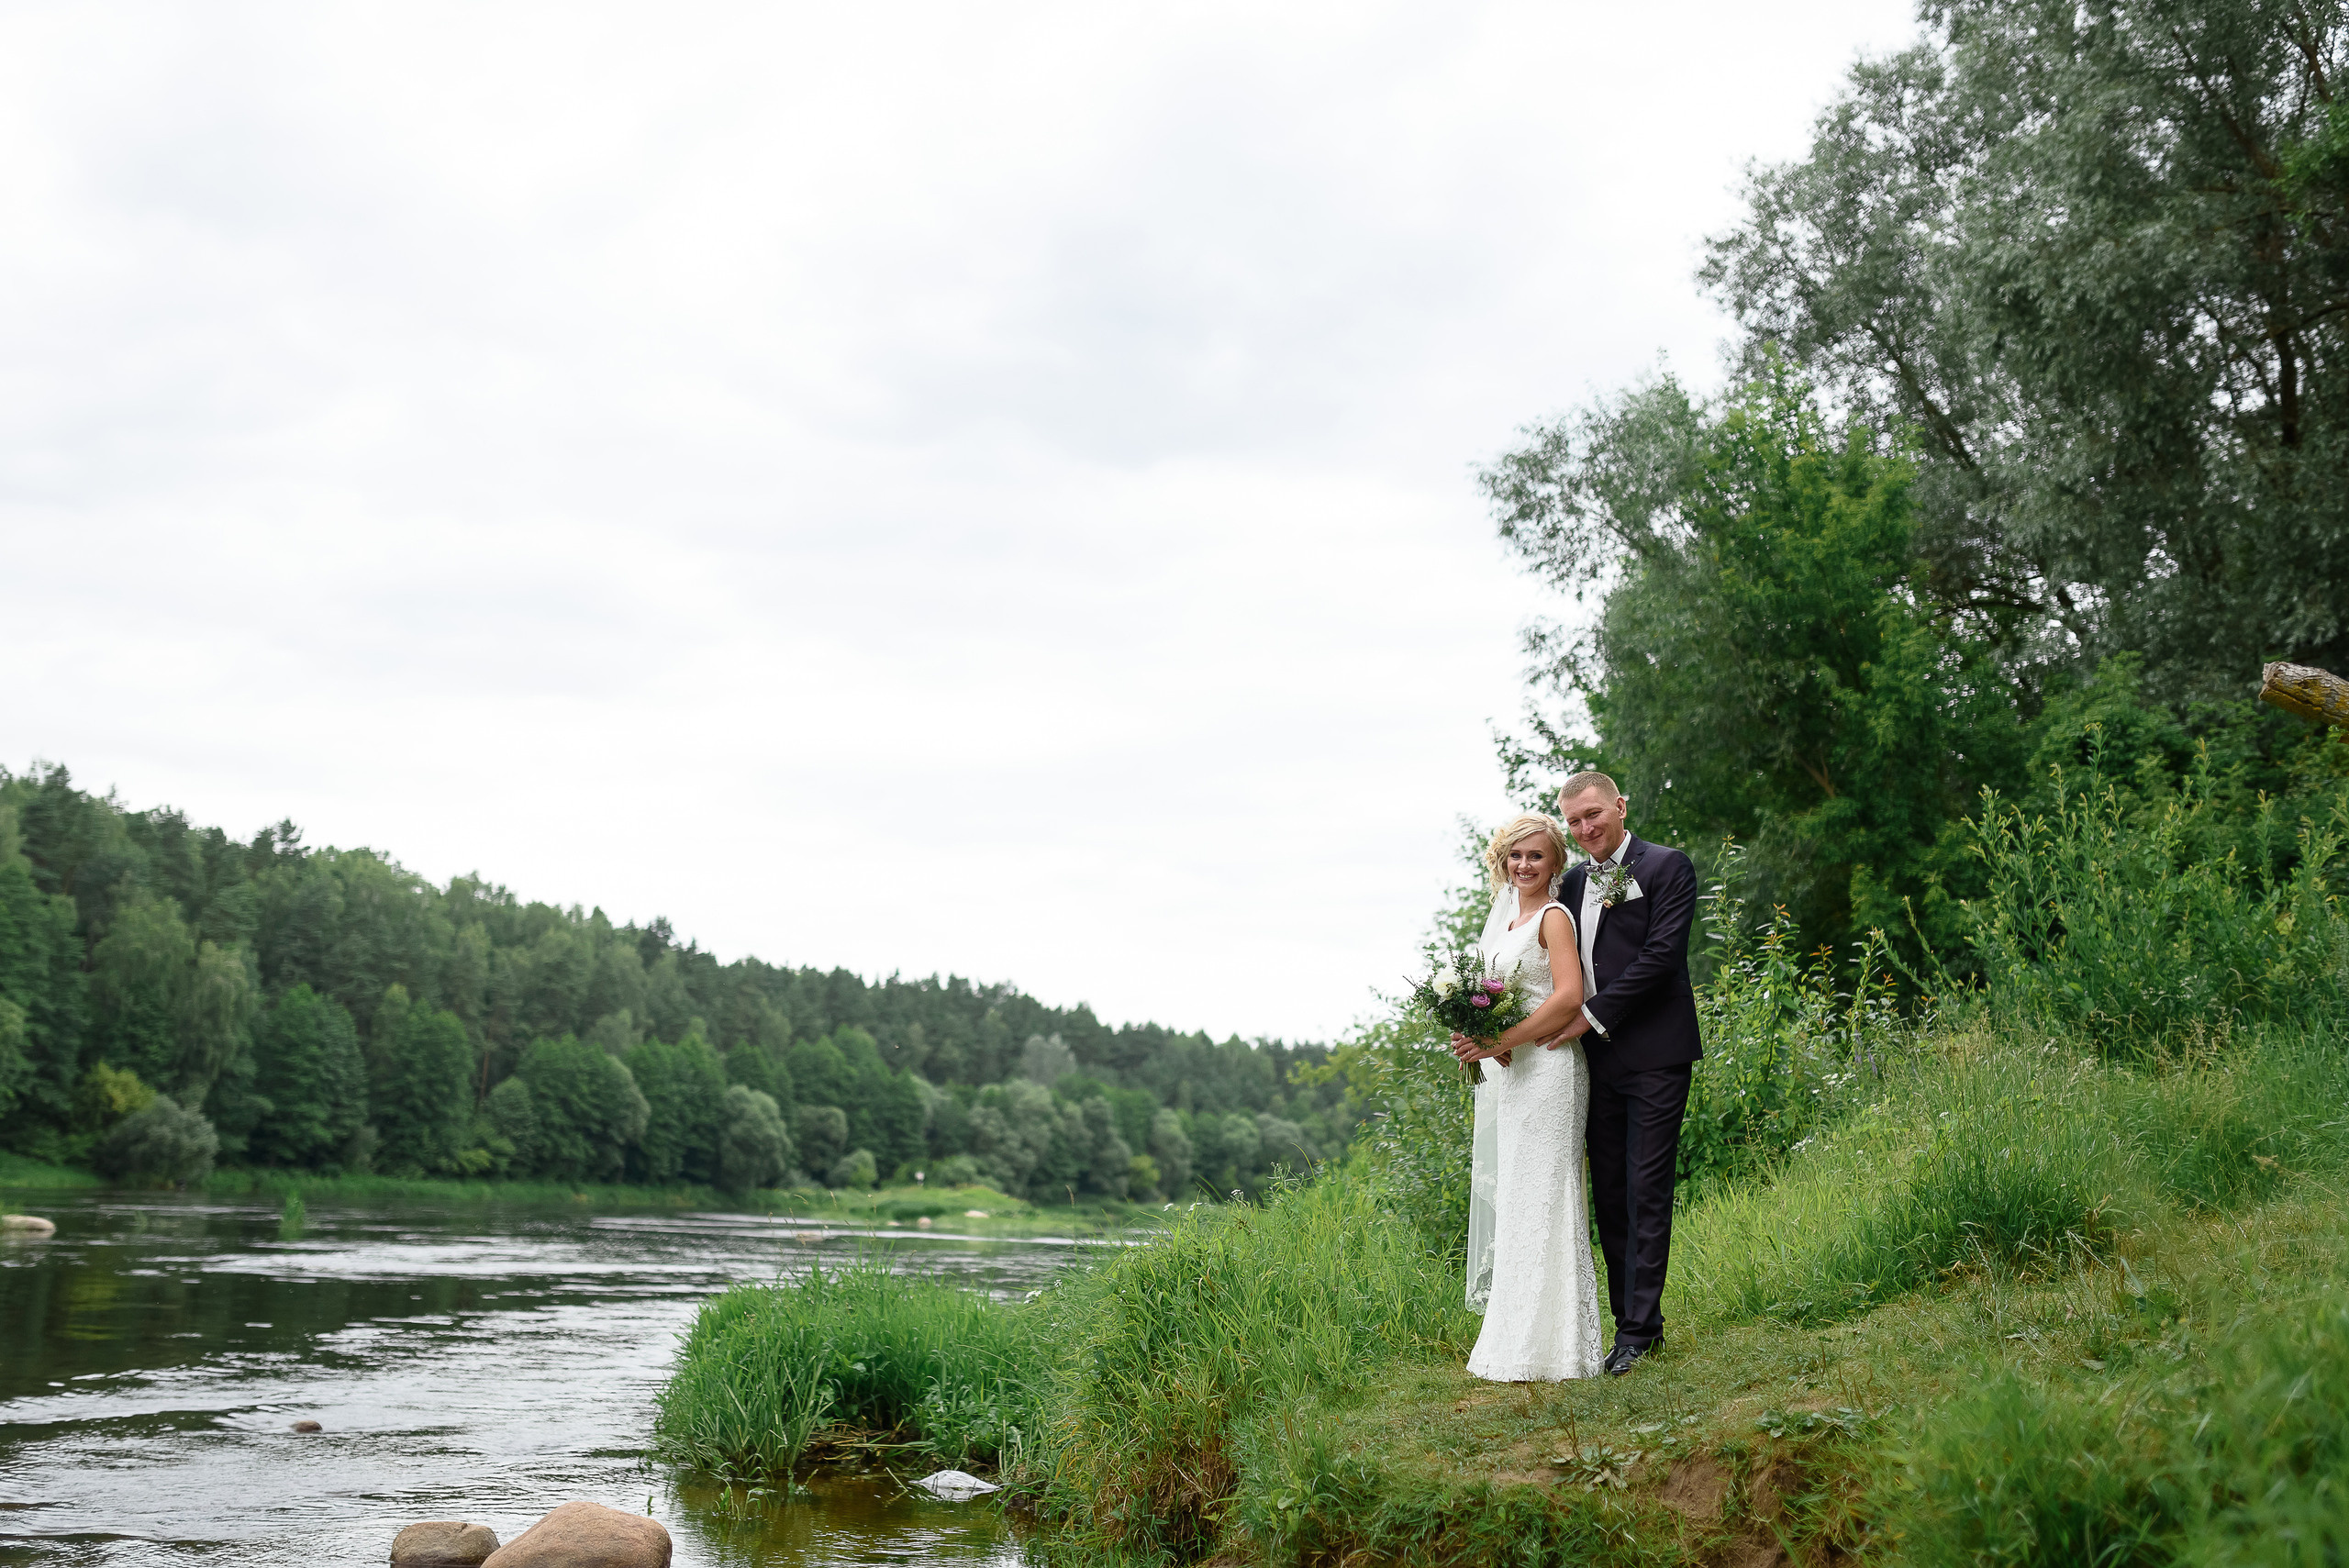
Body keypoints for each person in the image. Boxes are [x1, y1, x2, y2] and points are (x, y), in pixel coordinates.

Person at [1536, 771, 1703, 1375]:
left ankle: (1636, 1335)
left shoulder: (1667, 866)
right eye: (1574, 821)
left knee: (1646, 1188)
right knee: (1609, 1195)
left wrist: (1591, 1016)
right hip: (1594, 1064)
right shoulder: (1574, 880)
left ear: (1619, 806)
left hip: (1657, 1054)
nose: (1585, 828)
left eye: (1593, 815)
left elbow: (1662, 956)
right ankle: (1633, 1328)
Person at [1447, 813, 1607, 1382]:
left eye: (1536, 856)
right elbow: (1488, 995)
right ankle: (1515, 1339)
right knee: (1519, 1195)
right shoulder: (1501, 923)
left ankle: (1563, 1347)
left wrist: (1500, 1039)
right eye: (1515, 856)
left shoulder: (1555, 917)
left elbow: (1570, 996)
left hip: (1550, 1071)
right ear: (1501, 860)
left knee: (1548, 1193)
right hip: (1510, 1074)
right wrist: (1472, 1034)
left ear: (1555, 862)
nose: (1524, 866)